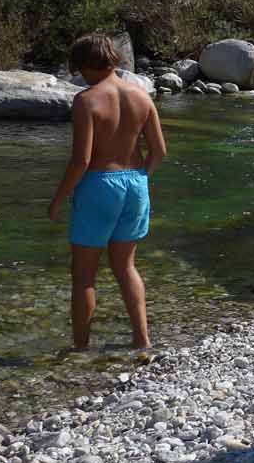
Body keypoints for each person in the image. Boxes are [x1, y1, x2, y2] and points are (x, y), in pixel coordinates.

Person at [47, 33, 167, 349]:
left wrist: (57, 200)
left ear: (85, 65)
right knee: (125, 267)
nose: (80, 77)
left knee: (84, 275)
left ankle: (80, 348)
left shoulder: (86, 100)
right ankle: (142, 341)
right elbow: (159, 152)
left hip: (99, 184)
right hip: (136, 183)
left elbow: (82, 160)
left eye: (79, 70)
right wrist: (140, 179)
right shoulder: (142, 97)